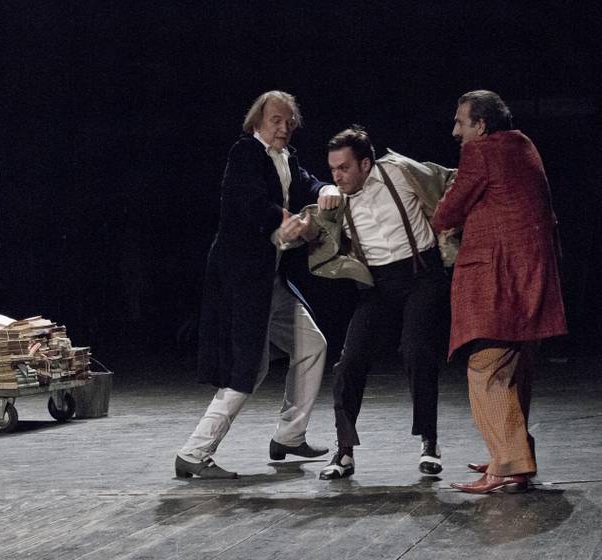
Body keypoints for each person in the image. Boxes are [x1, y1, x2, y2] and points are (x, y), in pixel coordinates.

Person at [175, 91, 329, 478]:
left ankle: (289, 436)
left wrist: (326, 191)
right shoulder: (245, 153)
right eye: (276, 120)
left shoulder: (287, 158)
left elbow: (307, 184)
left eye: (289, 121)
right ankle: (194, 453)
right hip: (241, 280)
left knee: (312, 345)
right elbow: (248, 202)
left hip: (270, 282)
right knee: (248, 369)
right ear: (257, 121)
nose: (284, 127)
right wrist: (287, 221)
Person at [433, 90, 567, 494]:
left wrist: (443, 209)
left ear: (481, 125)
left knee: (486, 368)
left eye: (461, 122)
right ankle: (511, 454)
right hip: (532, 278)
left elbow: (447, 212)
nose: (455, 131)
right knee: (514, 370)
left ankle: (508, 464)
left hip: (500, 280)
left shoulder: (482, 151)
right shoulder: (522, 144)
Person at [316, 126, 452, 480]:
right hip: (378, 284)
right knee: (349, 361)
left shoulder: (400, 172)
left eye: (343, 168)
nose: (337, 176)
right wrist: (322, 195)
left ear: (365, 164)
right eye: (332, 169)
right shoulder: (336, 197)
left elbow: (448, 181)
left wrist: (449, 232)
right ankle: (344, 451)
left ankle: (429, 441)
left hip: (421, 273)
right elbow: (313, 222)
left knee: (416, 350)